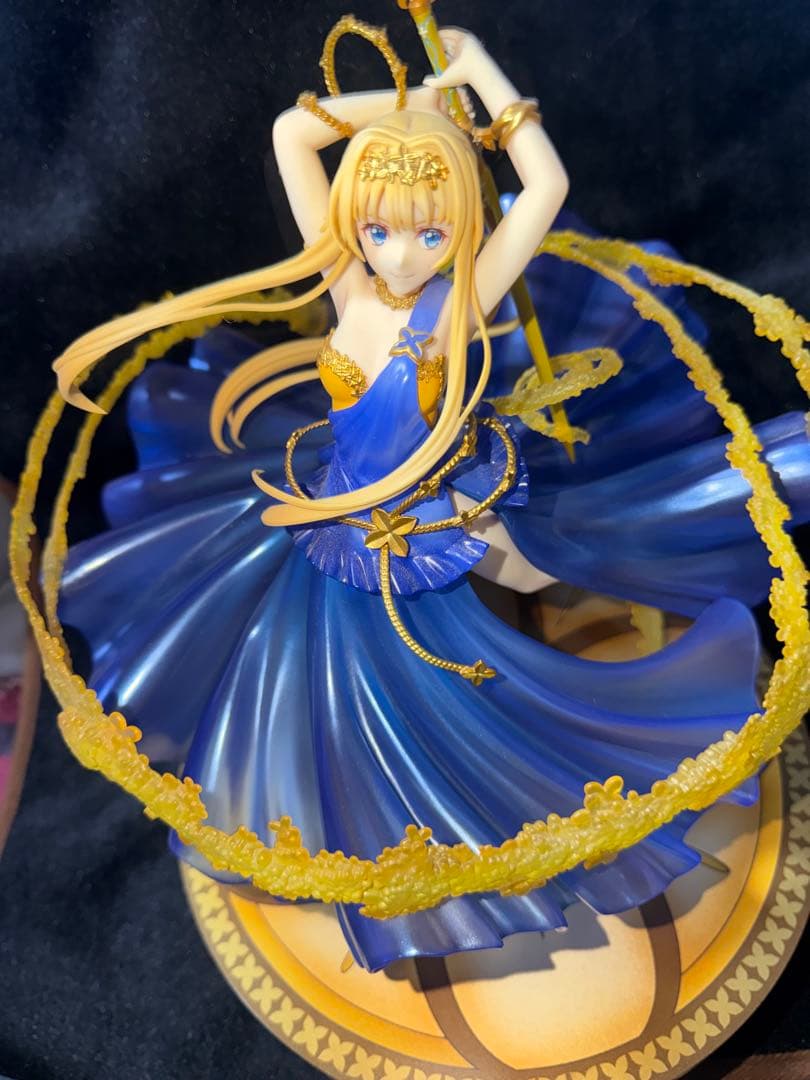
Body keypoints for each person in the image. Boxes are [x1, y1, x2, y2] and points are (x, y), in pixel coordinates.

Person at [53, 27, 810, 971]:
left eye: (429, 234)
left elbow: (545, 188)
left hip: (436, 505)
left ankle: (627, 592)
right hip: (340, 516)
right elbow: (294, 133)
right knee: (307, 681)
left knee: (533, 568)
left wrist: (479, 79)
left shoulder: (457, 303)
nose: (401, 254)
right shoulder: (347, 285)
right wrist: (417, 104)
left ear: (457, 232)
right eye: (379, 231)